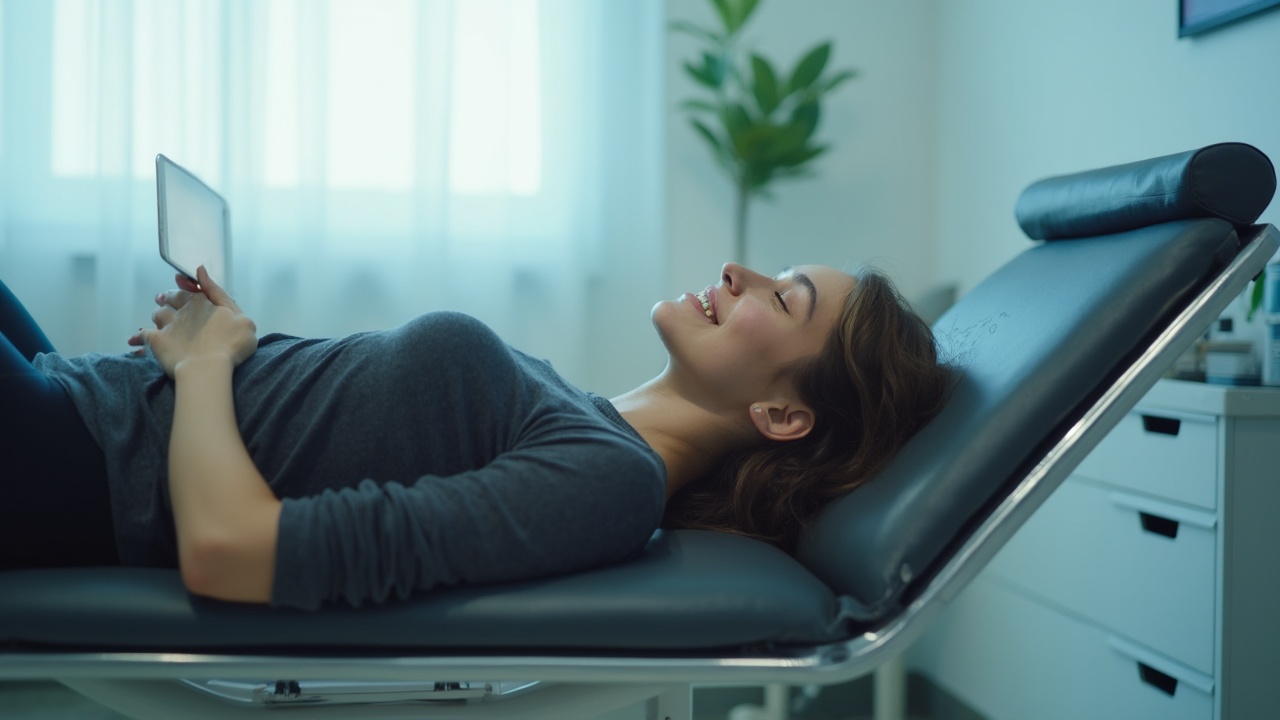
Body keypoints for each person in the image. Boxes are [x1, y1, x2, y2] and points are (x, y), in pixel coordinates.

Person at [0, 262, 948, 610]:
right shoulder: (586, 412)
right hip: (85, 397)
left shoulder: (609, 484)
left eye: (784, 298)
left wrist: (207, 368)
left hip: (70, 464)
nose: (739, 270)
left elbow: (228, 551)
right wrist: (224, 347)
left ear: (784, 417)